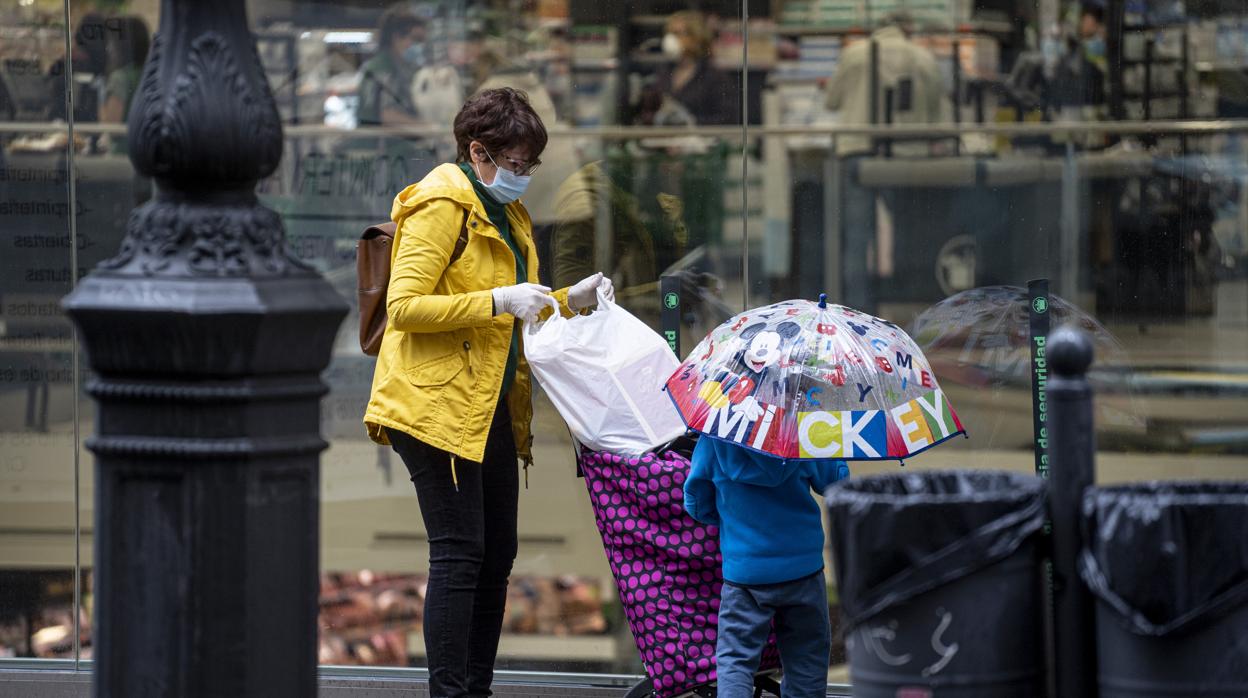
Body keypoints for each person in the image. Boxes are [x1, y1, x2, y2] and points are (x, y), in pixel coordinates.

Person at [363, 87, 613, 698]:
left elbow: (515, 309)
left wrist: (564, 301)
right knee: (459, 554)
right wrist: (499, 300)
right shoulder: (441, 203)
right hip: (432, 407)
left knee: (496, 554)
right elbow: (405, 306)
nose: (524, 176)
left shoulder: (507, 213)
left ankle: (477, 687)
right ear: (479, 153)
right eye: (518, 164)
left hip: (490, 406)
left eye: (531, 166)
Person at [683, 438, 849, 697]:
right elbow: (836, 483)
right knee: (807, 657)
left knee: (736, 659)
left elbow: (695, 501)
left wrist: (727, 521)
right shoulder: (801, 431)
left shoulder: (714, 438)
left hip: (744, 573)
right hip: (803, 569)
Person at [823, 11, 947, 313]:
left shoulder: (853, 54)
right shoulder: (924, 58)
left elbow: (832, 101)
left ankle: (856, 313)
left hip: (856, 152)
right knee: (910, 237)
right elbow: (935, 113)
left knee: (857, 242)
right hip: (908, 157)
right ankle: (911, 309)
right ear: (907, 29)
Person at [635, 10, 736, 126]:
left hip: (701, 142)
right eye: (669, 33)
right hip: (662, 142)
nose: (670, 39)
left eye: (678, 33)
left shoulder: (715, 76)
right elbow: (647, 112)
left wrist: (690, 123)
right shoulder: (663, 72)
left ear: (696, 37)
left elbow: (727, 119)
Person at [357, 6, 426, 127]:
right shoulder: (382, 68)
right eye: (416, 39)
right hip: (378, 142)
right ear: (396, 37)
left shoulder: (401, 67)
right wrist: (427, 128)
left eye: (421, 41)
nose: (419, 46)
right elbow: (388, 115)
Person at [99, 16, 151, 153]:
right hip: (147, 154)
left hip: (123, 157)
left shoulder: (119, 78)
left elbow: (112, 128)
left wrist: (102, 106)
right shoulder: (152, 73)